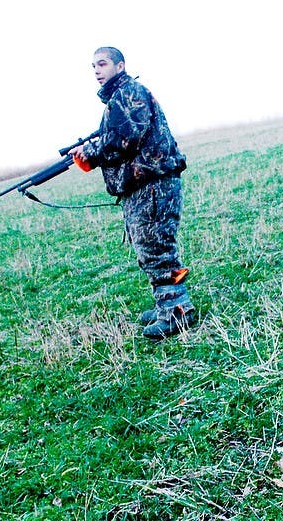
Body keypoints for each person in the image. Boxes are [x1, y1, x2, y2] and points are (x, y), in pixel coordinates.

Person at [70, 46, 196, 340]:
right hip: (142, 185)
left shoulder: (129, 93)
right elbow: (118, 136)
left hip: (153, 184)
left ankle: (177, 312)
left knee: (156, 248)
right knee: (148, 248)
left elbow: (124, 140)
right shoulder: (119, 98)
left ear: (120, 65)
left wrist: (90, 151)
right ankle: (166, 303)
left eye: (102, 64)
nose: (97, 71)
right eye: (93, 66)